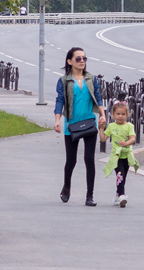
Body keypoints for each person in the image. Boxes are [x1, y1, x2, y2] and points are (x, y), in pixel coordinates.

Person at [53, 47, 107, 206]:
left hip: (90, 122)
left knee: (89, 159)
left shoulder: (91, 78)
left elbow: (98, 97)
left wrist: (102, 115)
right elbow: (60, 101)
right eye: (78, 58)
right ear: (69, 61)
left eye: (84, 58)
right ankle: (67, 186)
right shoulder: (64, 81)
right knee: (71, 161)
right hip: (72, 125)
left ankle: (89, 196)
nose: (82, 61)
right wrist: (57, 120)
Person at [102, 101, 139, 207]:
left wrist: (125, 143)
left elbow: (132, 138)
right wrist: (101, 128)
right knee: (120, 175)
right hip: (116, 156)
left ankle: (118, 196)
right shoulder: (111, 126)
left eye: (123, 114)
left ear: (127, 115)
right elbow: (103, 138)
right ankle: (122, 195)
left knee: (123, 176)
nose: (120, 116)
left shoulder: (129, 126)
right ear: (113, 115)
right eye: (118, 114)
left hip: (126, 155)